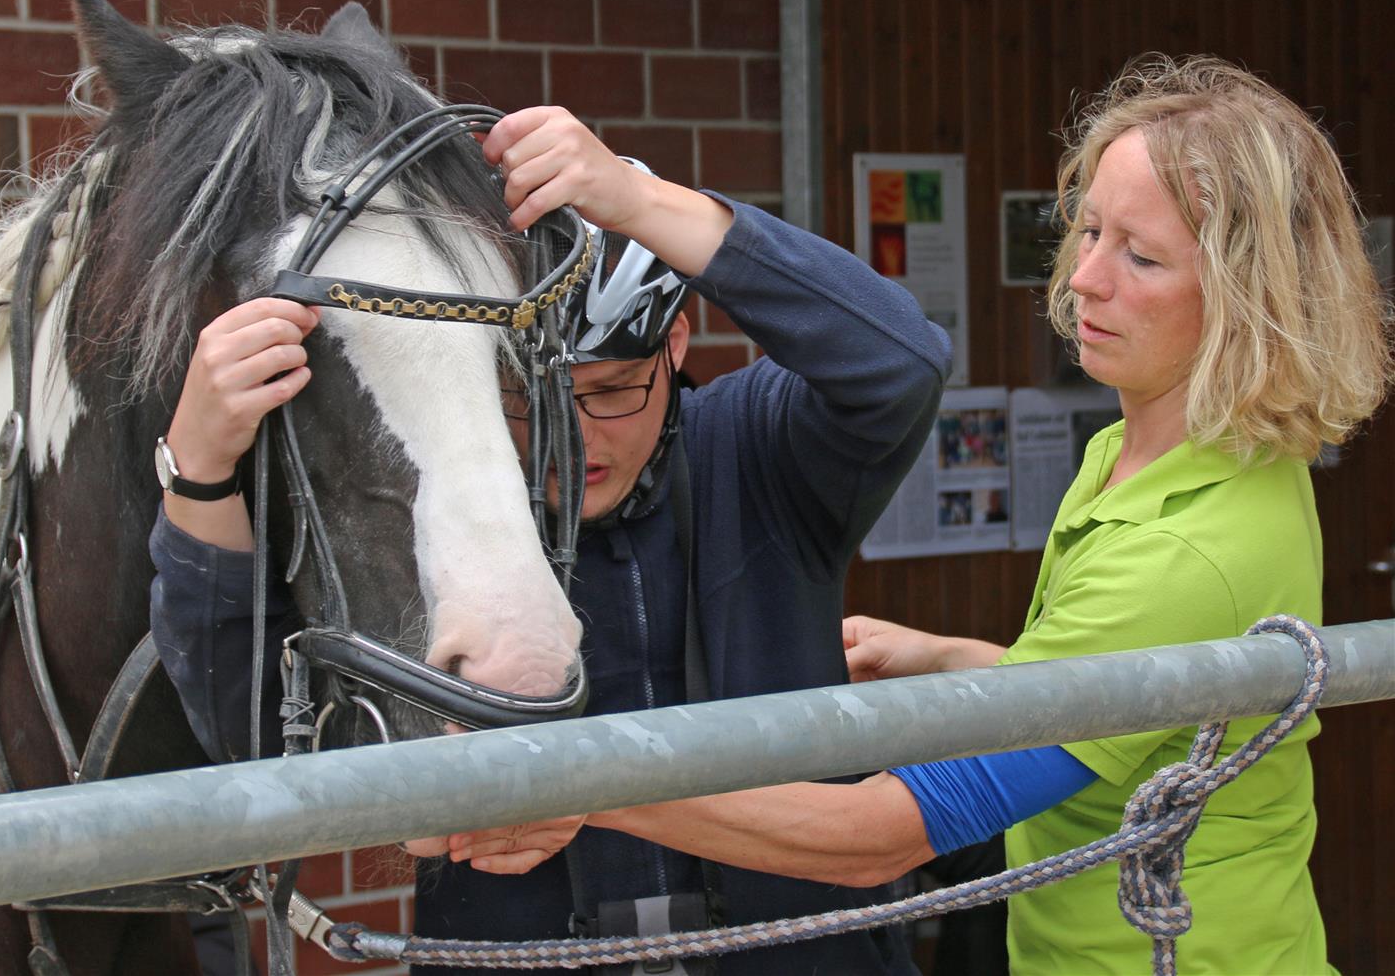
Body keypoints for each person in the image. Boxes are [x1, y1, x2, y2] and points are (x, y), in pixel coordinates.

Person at [453, 56, 1393, 973]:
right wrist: (958, 663)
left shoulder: (1185, 543)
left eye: (1141, 256)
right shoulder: (1162, 456)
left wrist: (569, 786)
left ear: (1246, 299)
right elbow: (1136, 700)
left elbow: (877, 838)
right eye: (1091, 229)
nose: (1085, 279)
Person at [148, 104, 952, 974]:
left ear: (677, 342)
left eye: (611, 391)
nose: (578, 439)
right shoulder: (449, 503)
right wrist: (197, 468)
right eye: (526, 400)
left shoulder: (761, 449)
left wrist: (637, 201)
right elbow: (247, 720)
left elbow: (901, 361)